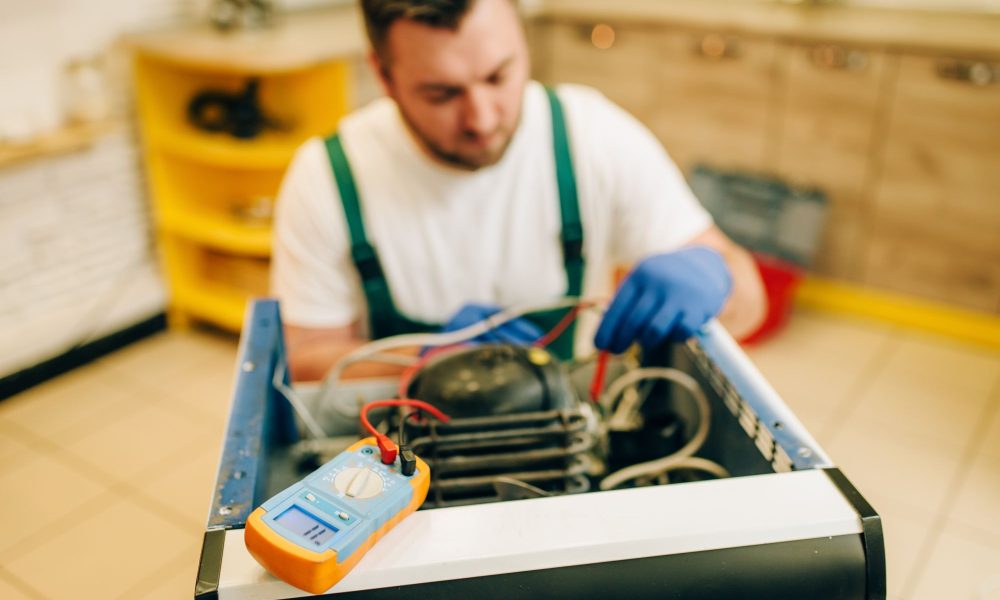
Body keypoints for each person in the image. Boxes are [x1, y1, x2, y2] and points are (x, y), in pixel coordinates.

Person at [271, 0, 766, 382]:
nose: (482, 118)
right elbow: (305, 359)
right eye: (442, 93)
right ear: (383, 75)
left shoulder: (592, 136)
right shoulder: (328, 177)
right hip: (405, 449)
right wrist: (423, 359)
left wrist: (716, 279)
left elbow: (750, 299)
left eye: (498, 76)